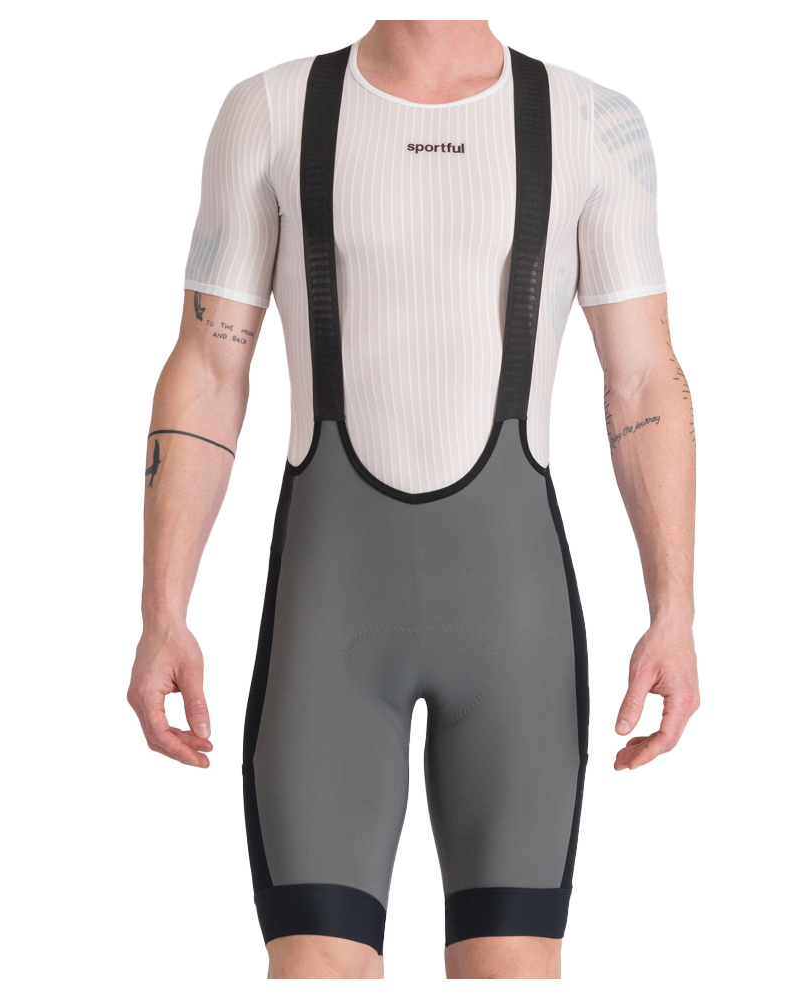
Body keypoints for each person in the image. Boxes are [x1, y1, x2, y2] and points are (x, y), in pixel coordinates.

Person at [126, 19, 699, 980]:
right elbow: (208, 368)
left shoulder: (592, 123)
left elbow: (642, 380)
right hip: (328, 619)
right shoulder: (269, 111)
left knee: (511, 963)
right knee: (315, 961)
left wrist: (673, 613)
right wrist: (161, 611)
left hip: (514, 625)